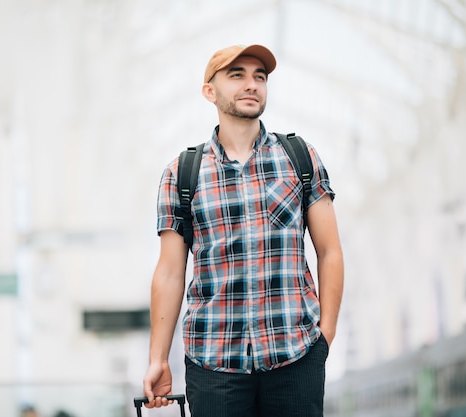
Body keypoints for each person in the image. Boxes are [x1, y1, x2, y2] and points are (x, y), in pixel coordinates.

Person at [142, 44, 344, 417]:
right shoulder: (181, 174)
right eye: (237, 75)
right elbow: (170, 272)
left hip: (295, 357)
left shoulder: (300, 158)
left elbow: (329, 251)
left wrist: (324, 338)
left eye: (259, 77)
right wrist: (158, 357)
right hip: (213, 364)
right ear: (210, 91)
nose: (251, 85)